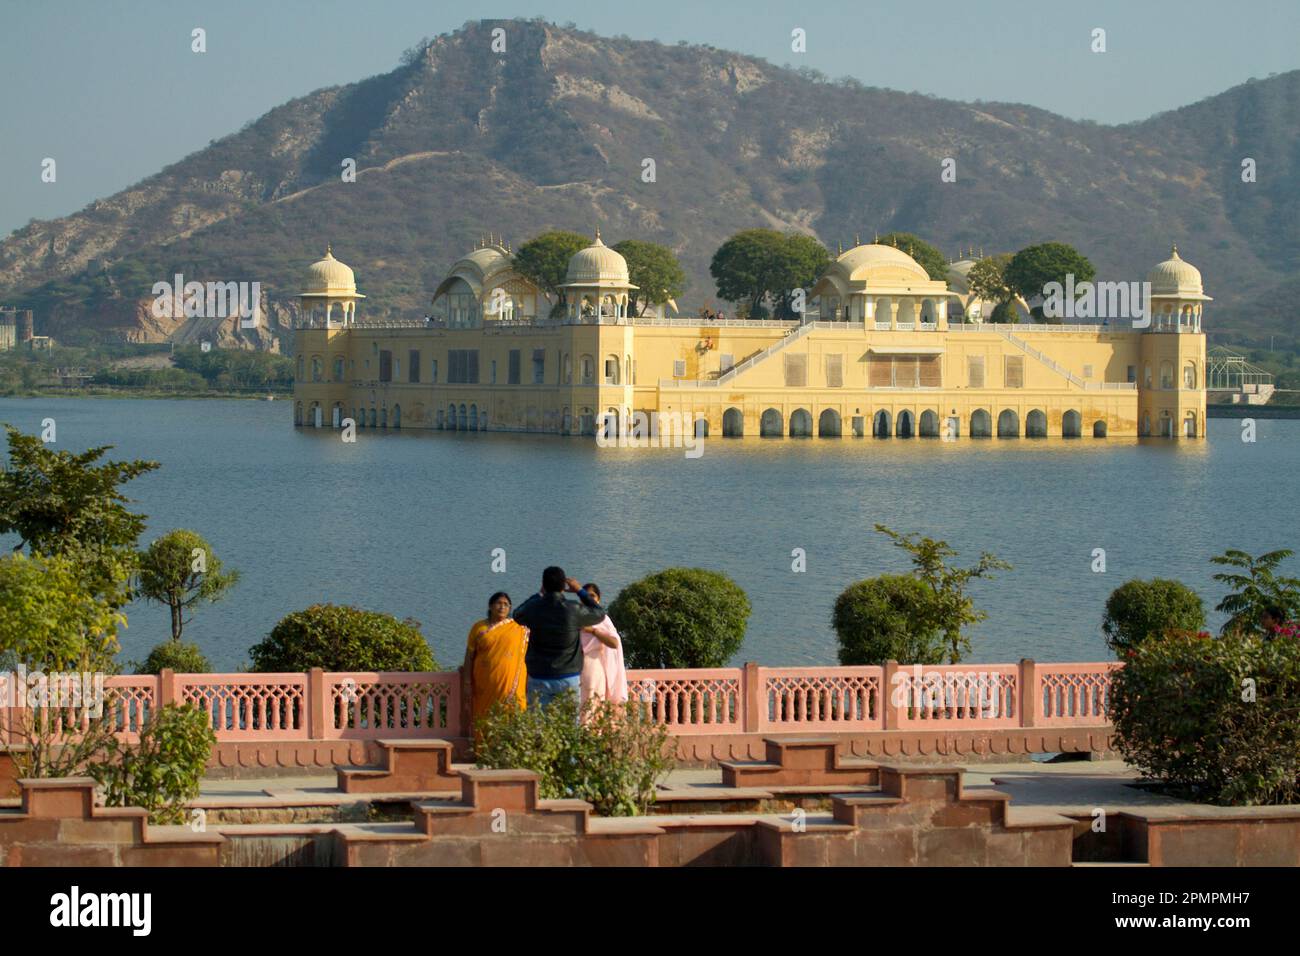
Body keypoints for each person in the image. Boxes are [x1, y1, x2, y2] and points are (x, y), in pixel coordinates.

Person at [512, 566, 606, 709]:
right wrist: (579, 591)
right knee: (567, 727)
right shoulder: (573, 609)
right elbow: (599, 613)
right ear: (563, 586)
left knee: (538, 727)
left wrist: (539, 594)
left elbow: (517, 614)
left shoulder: (535, 608)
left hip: (538, 675)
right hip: (568, 676)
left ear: (544, 585)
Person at [461, 592, 529, 738]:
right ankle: (484, 754)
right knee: (485, 717)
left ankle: (510, 754)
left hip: (512, 685)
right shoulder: (479, 628)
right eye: (499, 603)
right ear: (490, 606)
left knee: (513, 717)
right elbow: (469, 656)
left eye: (506, 604)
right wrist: (467, 682)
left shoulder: (519, 628)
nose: (502, 607)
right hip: (485, 684)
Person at [578, 583, 628, 710]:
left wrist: (593, 631)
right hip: (574, 667)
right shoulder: (575, 617)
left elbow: (614, 643)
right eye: (585, 596)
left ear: (598, 599)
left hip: (593, 665)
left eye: (592, 596)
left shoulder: (602, 619)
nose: (589, 599)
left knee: (592, 706)